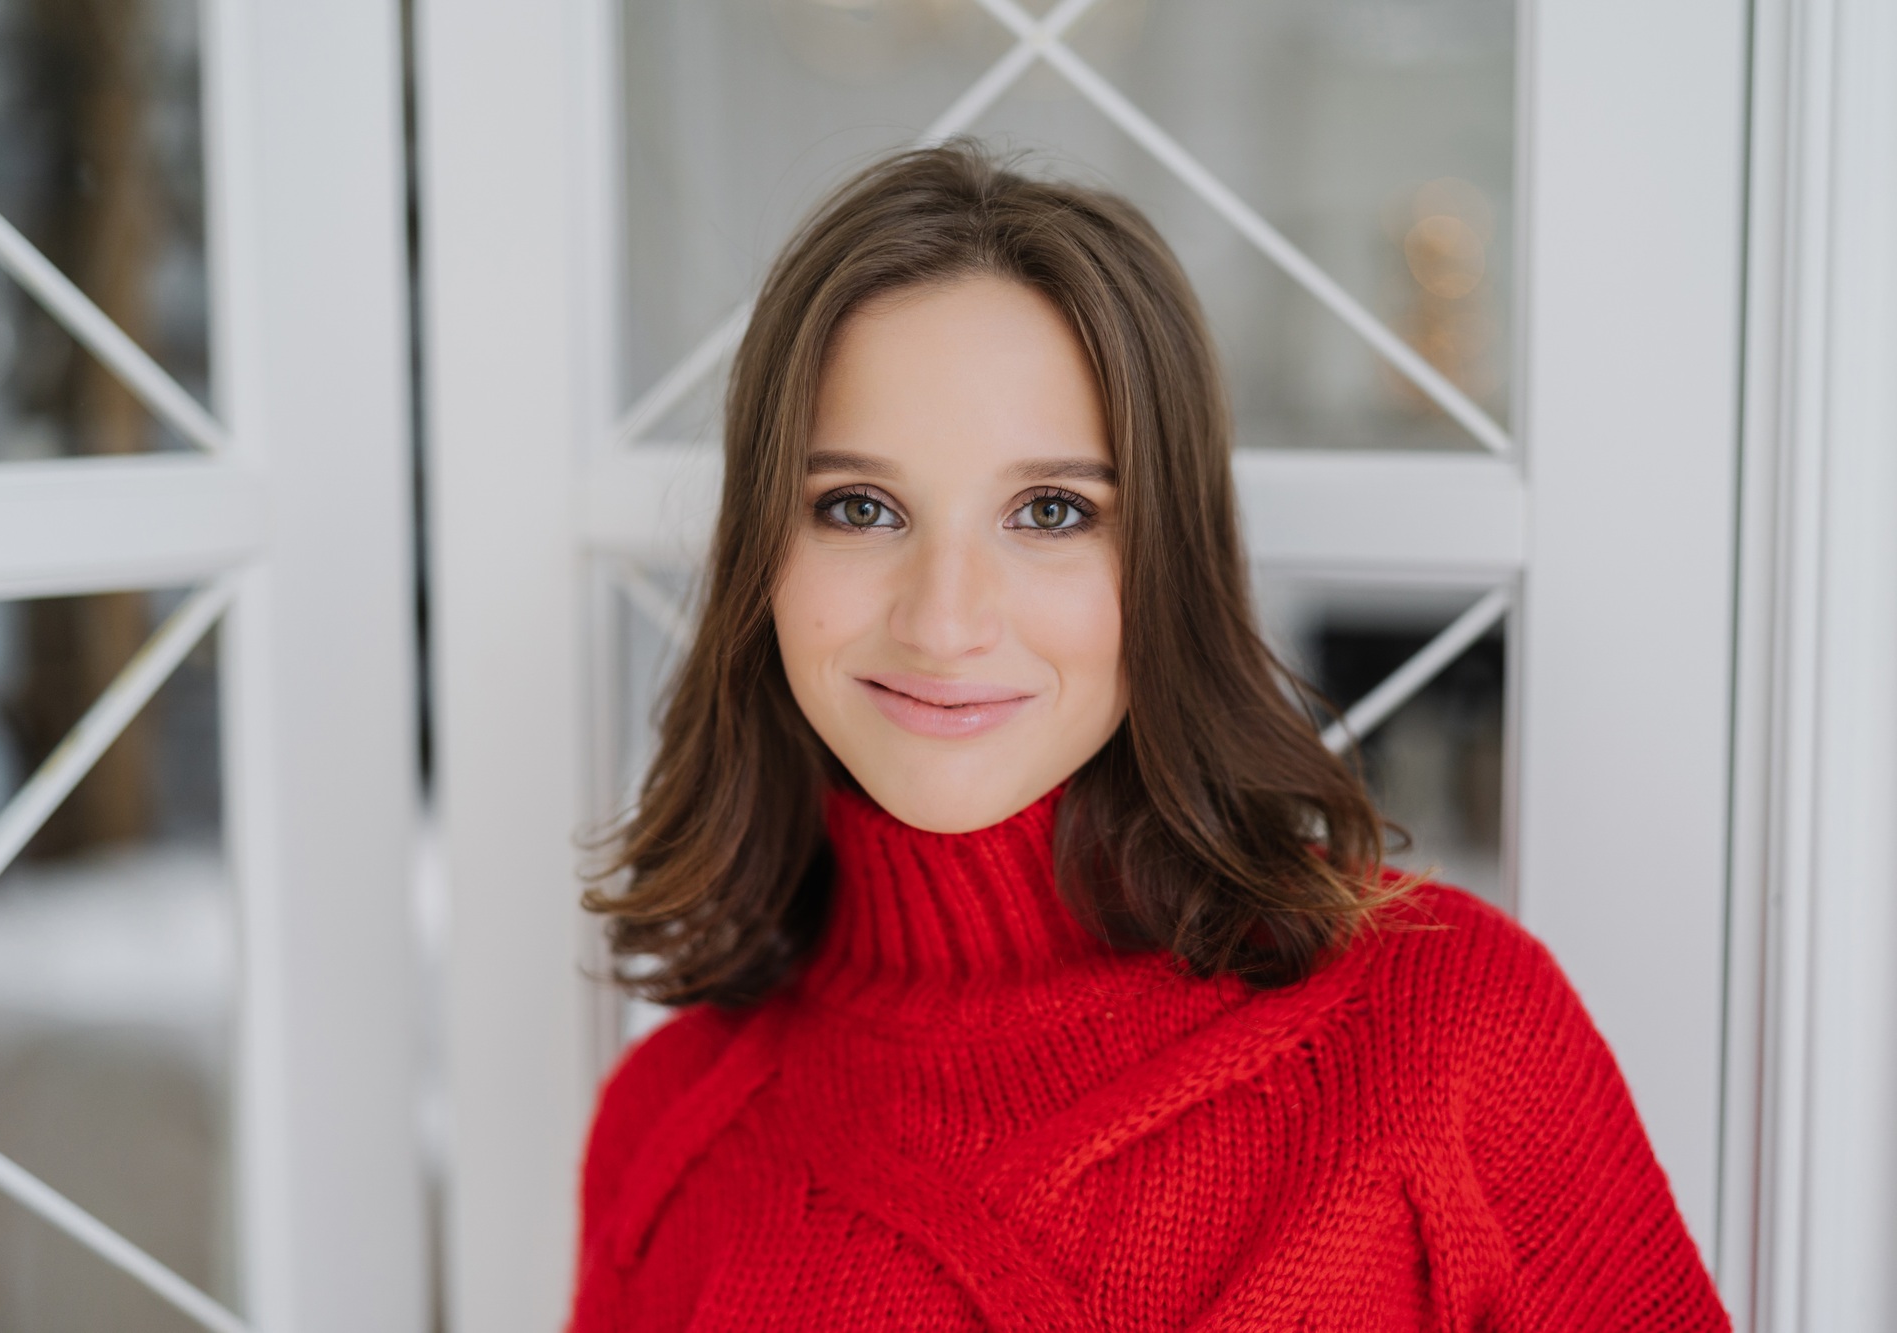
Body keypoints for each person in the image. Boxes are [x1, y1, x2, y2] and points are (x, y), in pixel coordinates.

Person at [569, 143, 1728, 1331]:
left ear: (1166, 560)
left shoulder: (1447, 1029)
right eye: (857, 507)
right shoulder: (665, 1127)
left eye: (1053, 511)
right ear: (762, 549)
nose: (946, 618)